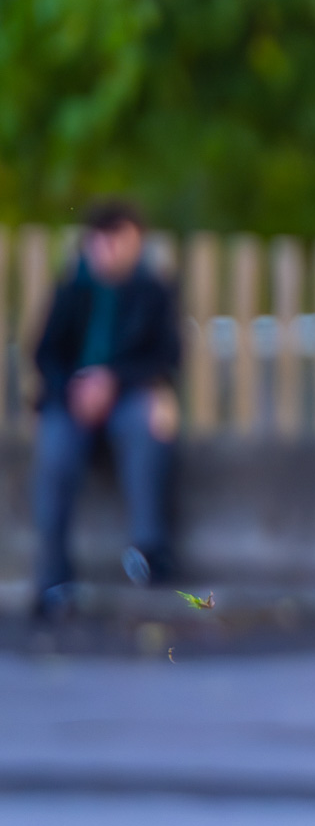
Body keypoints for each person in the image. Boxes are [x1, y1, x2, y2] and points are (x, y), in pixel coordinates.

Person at [30, 199, 181, 618]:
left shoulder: (152, 291)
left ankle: (149, 551)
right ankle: (53, 576)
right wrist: (77, 389)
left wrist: (113, 380)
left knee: (147, 426)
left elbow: (167, 357)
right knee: (55, 450)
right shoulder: (71, 289)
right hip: (72, 401)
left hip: (127, 396)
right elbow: (44, 355)